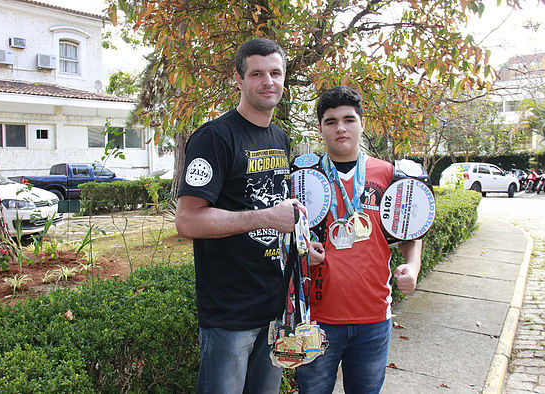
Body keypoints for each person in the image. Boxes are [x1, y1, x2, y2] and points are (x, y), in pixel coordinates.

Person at [175, 37, 304, 394]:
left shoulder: (280, 137)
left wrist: (304, 242)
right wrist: (264, 217)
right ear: (239, 79)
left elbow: (281, 211)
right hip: (230, 315)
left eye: (276, 72)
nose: (268, 81)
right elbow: (188, 220)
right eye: (257, 73)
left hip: (275, 309)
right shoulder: (214, 137)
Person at [296, 86, 423, 394]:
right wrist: (301, 250)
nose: (340, 127)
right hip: (316, 319)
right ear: (320, 128)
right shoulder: (303, 177)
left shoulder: (388, 174)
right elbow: (288, 234)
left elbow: (410, 231)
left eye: (349, 119)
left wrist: (413, 266)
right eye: (331, 121)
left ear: (361, 124)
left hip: (374, 317)